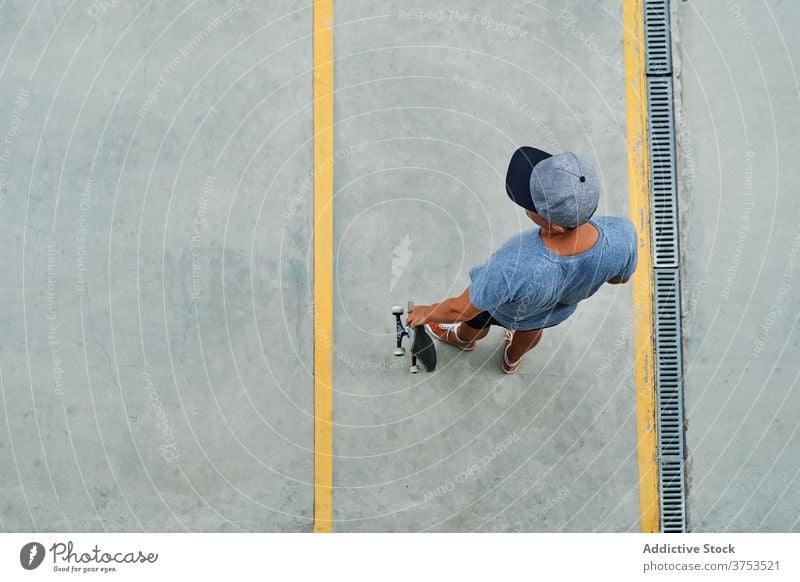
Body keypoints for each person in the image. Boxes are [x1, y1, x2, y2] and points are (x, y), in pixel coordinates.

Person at [404, 147, 638, 373]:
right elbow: (620, 279)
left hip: (503, 309)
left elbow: (461, 310)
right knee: (529, 330)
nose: (525, 203)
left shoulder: (512, 264)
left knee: (475, 322)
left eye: (530, 201)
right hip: (548, 313)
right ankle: (511, 360)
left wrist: (427, 312)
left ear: (556, 227)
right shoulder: (623, 235)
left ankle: (463, 340)